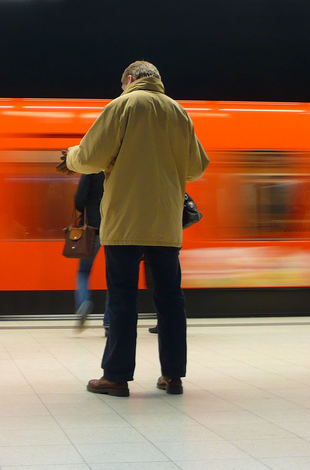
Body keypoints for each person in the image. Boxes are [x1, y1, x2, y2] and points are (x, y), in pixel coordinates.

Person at [65, 61, 209, 397]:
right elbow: (198, 167)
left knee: (122, 299)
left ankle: (116, 377)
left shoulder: (122, 105)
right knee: (171, 300)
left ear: (129, 80)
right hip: (165, 224)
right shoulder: (178, 112)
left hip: (124, 222)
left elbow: (89, 156)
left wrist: (70, 156)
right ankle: (173, 376)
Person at [72, 171, 110, 335]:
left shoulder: (91, 169)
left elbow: (79, 200)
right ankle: (109, 323)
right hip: (115, 229)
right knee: (114, 276)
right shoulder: (118, 166)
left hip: (91, 229)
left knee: (83, 271)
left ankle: (83, 302)